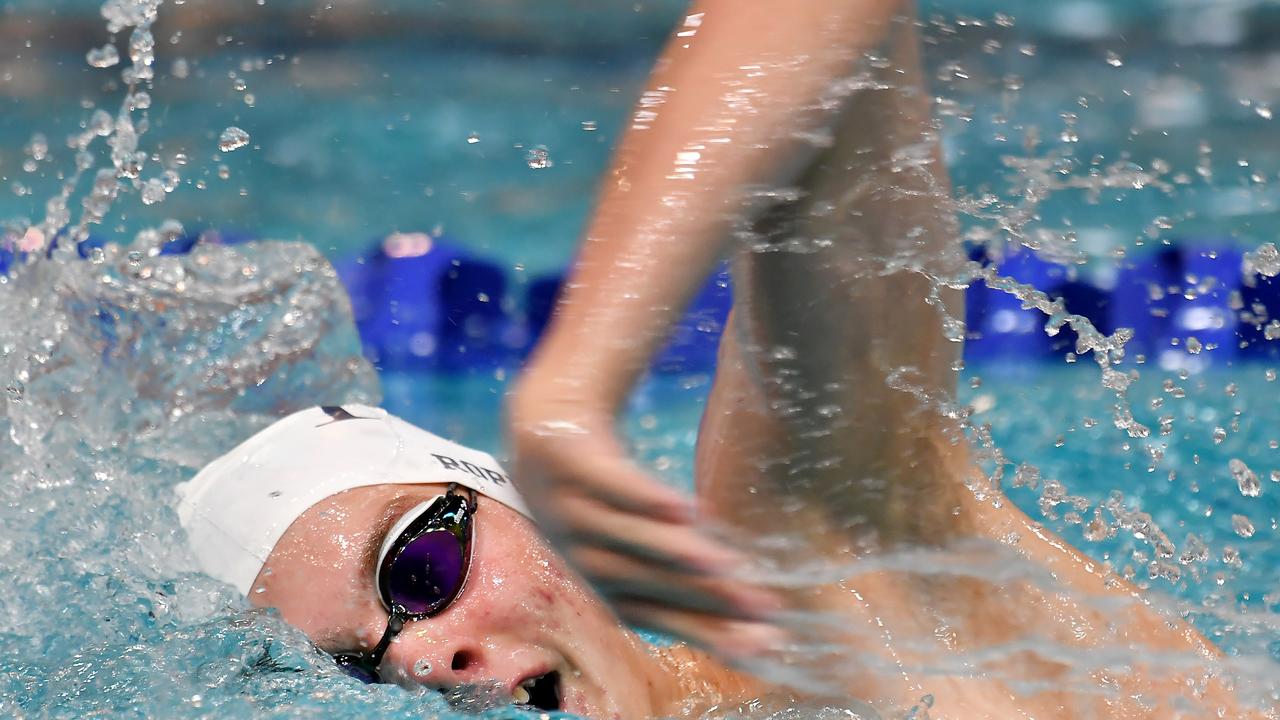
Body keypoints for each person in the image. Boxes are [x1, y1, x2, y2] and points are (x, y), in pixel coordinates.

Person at [178, 0, 1262, 717]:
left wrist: (569, 391)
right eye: (354, 669)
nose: (422, 660)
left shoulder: (835, 589)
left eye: (419, 570)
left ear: (523, 513)